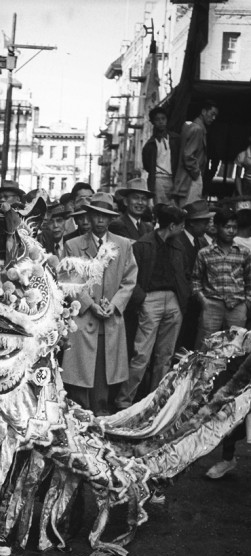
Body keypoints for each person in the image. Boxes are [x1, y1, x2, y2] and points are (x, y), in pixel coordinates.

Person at [61, 193, 137, 416]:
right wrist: (89, 304)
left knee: (104, 371)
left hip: (110, 318)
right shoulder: (73, 245)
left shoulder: (123, 245)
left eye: (105, 216)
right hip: (84, 318)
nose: (100, 220)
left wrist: (115, 304)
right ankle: (79, 416)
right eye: (96, 215)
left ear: (111, 218)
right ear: (89, 216)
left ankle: (101, 415)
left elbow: (129, 280)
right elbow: (69, 279)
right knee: (80, 372)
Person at [116, 206, 189, 410]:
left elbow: (185, 273)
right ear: (172, 226)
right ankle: (124, 401)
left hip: (173, 300)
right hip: (151, 299)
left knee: (165, 356)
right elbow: (129, 276)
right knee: (141, 355)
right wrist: (142, 299)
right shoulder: (143, 245)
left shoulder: (178, 246)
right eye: (181, 225)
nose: (183, 229)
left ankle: (156, 402)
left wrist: (182, 296)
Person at [193, 208, 251, 349]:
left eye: (234, 227)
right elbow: (195, 280)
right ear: (217, 227)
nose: (231, 231)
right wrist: (203, 300)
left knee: (235, 348)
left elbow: (249, 279)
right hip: (212, 305)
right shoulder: (205, 253)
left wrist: (247, 303)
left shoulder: (244, 253)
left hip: (237, 306)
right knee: (205, 346)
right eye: (227, 227)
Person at [176, 200, 213, 350]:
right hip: (183, 301)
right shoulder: (178, 241)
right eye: (204, 222)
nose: (207, 226)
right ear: (192, 223)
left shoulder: (201, 241)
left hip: (195, 301)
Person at [173, 100, 219, 206]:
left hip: (185, 179)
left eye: (215, 116)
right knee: (191, 211)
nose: (213, 118)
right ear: (203, 112)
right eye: (212, 114)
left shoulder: (190, 126)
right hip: (190, 180)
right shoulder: (197, 129)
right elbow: (188, 155)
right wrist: (197, 174)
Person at [142, 106, 180, 204]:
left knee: (175, 208)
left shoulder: (175, 139)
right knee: (161, 208)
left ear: (167, 120)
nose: (161, 122)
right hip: (158, 180)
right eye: (157, 119)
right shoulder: (149, 145)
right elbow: (147, 166)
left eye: (163, 118)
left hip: (174, 179)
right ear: (153, 122)